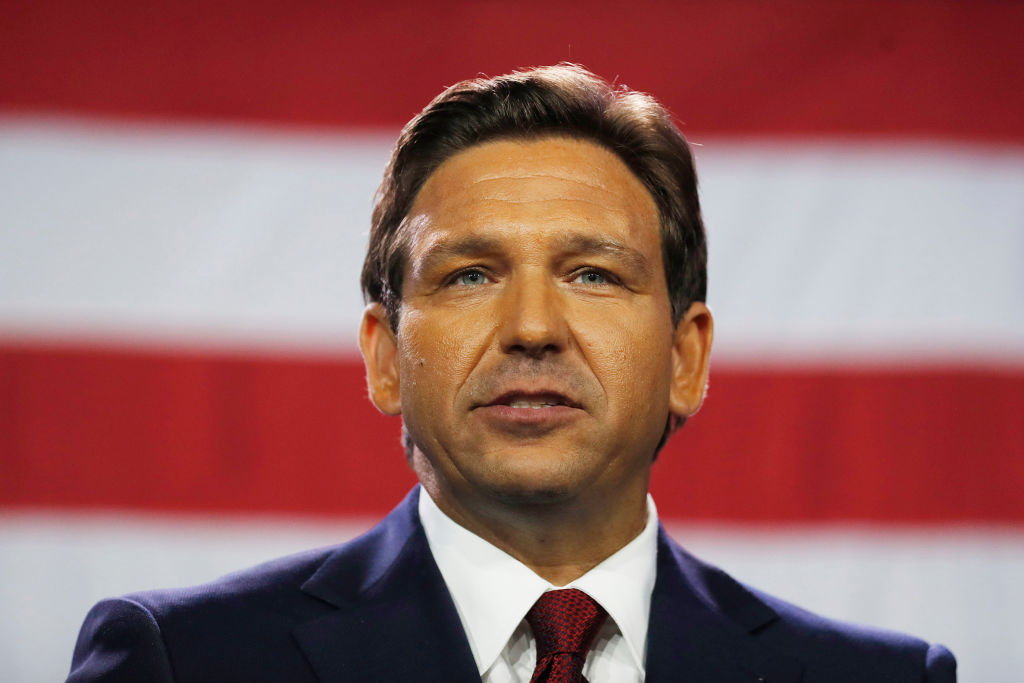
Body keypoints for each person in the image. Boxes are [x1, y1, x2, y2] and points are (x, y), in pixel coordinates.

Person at [67, 64, 956, 682]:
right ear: (384, 356)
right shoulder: (184, 662)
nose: (532, 328)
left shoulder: (882, 679)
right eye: (471, 275)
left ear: (687, 359)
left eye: (594, 274)